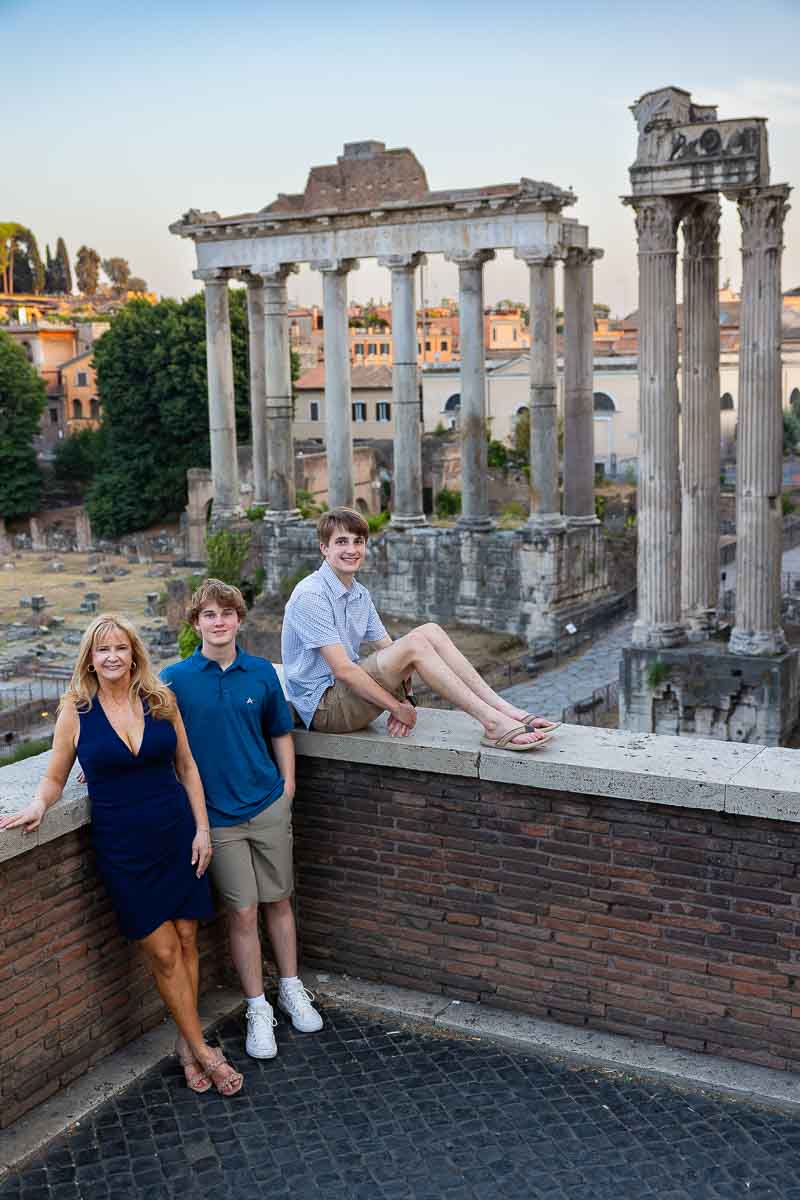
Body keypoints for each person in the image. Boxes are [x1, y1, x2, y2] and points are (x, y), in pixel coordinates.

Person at [0, 614, 243, 1097]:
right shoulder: (77, 708)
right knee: (163, 949)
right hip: (123, 845)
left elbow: (188, 766)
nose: (111, 657)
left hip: (176, 832)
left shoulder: (160, 699)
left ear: (135, 653)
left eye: (120, 648)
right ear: (89, 657)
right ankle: (206, 1051)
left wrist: (202, 830)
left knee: (189, 938)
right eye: (101, 649)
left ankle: (184, 1043)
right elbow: (54, 776)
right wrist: (38, 804)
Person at [161, 579, 322, 1063]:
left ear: (239, 620)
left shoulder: (260, 674)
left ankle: (291, 989)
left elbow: (281, 733)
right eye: (209, 615)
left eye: (227, 613)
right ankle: (257, 1007)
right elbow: (144, 728)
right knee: (243, 911)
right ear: (196, 624)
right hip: (217, 818)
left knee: (279, 901)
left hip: (267, 804)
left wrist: (287, 790)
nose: (219, 621)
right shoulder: (176, 679)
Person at [282, 508, 560, 750]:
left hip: (350, 695)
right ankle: (492, 723)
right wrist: (395, 708)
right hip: (325, 708)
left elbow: (391, 652)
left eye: (359, 541)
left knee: (430, 631)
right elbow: (343, 669)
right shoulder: (311, 595)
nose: (352, 549)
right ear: (324, 548)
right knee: (414, 643)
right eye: (341, 541)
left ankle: (504, 710)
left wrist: (408, 701)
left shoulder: (359, 594)